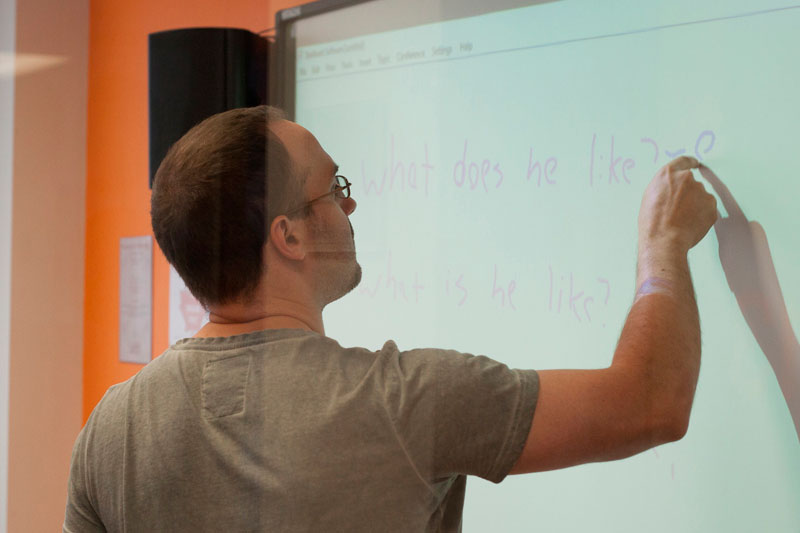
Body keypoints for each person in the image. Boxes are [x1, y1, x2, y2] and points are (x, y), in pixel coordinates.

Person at [64, 105, 717, 532]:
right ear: (289, 236)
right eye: (334, 186)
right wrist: (661, 248)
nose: (350, 203)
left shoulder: (107, 432)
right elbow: (651, 401)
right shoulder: (403, 402)